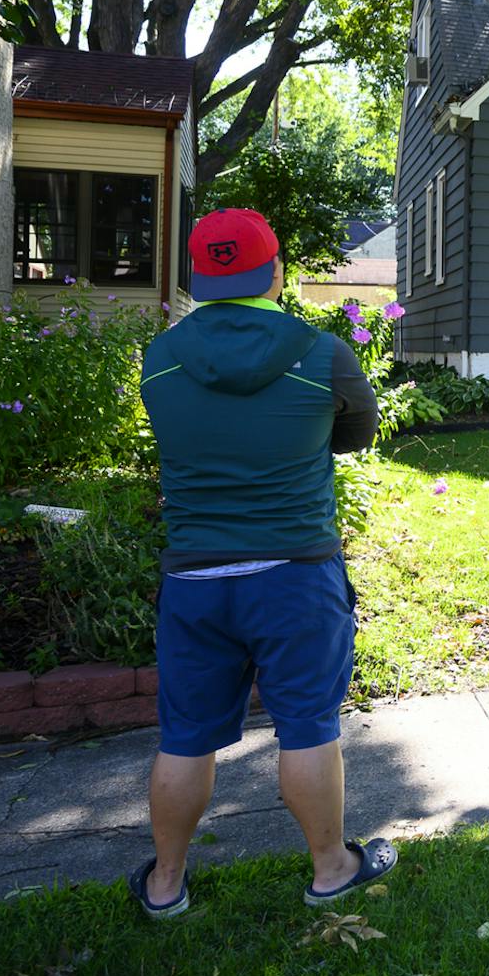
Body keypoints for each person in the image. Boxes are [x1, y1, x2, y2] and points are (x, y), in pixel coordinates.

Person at [129, 208, 391, 918]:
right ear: (274, 271)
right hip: (296, 574)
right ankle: (331, 868)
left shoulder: (163, 357)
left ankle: (166, 883)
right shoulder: (323, 350)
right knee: (308, 722)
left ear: (200, 277)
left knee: (186, 733)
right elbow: (357, 432)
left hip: (195, 579)